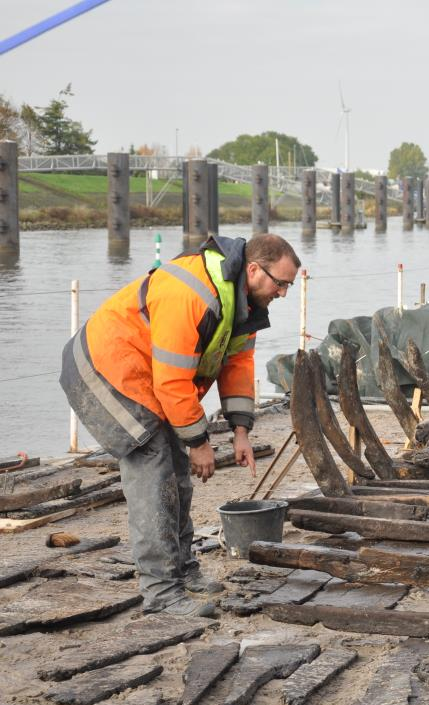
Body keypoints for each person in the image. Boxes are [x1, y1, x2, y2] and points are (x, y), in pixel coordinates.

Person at [60, 234, 300, 616]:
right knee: (155, 477)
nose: (284, 293)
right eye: (281, 283)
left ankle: (183, 569)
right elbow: (172, 380)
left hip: (149, 379)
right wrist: (199, 442)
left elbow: (237, 367)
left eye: (288, 285)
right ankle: (161, 593)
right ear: (253, 270)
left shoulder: (242, 304)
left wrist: (241, 432)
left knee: (178, 478)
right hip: (108, 373)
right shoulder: (192, 292)